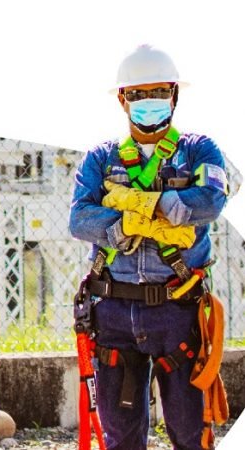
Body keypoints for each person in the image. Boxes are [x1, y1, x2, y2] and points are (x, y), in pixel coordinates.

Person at [69, 44, 229, 449]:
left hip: (176, 311)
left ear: (174, 95)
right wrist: (126, 224)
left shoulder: (198, 150)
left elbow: (210, 200)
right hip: (115, 312)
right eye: (138, 94)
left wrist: (151, 204)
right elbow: (79, 219)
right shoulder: (102, 159)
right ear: (123, 99)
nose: (148, 102)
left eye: (158, 92)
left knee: (190, 431)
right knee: (121, 435)